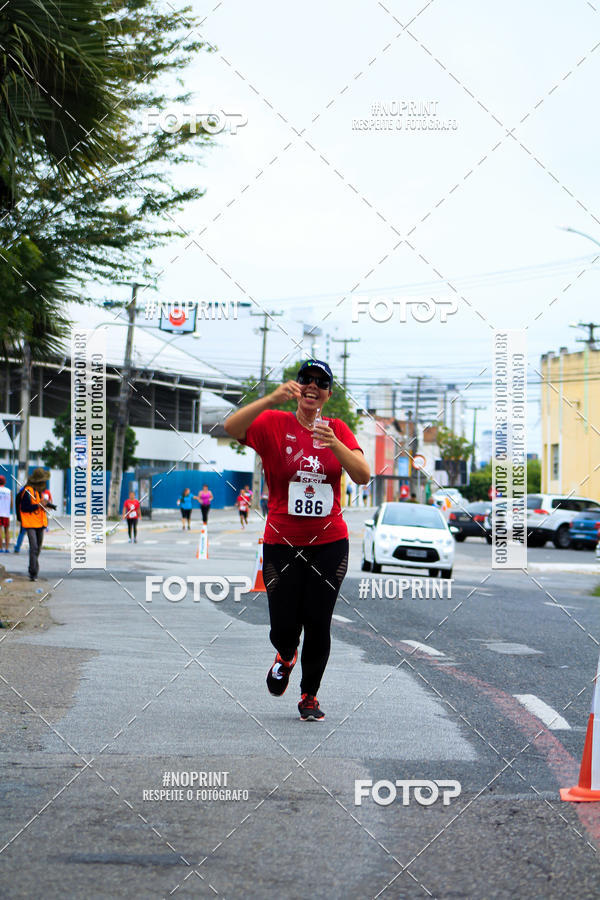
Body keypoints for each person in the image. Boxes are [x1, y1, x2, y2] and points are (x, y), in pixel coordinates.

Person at [224, 359, 370, 721]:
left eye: (321, 382)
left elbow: (363, 475)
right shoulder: (274, 423)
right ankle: (286, 655)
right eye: (307, 379)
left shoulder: (338, 429)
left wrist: (335, 444)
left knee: (318, 621)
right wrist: (270, 397)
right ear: (297, 386)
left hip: (329, 543)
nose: (313, 386)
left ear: (329, 394)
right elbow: (231, 427)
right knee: (284, 624)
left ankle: (309, 696)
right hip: (282, 542)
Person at [20, 468, 50, 581]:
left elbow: (40, 503)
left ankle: (32, 568)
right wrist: (38, 505)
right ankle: (33, 572)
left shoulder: (39, 492)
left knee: (38, 548)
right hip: (30, 523)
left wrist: (47, 505)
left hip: (40, 523)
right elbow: (24, 508)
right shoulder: (27, 492)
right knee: (34, 547)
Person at [13, 485, 26, 553]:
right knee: (30, 533)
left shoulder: (20, 493)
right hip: (28, 516)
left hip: (23, 516)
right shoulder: (31, 492)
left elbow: (17, 505)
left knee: (22, 532)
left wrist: (19, 517)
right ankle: (33, 548)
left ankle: (17, 547)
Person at [0, 475, 11, 552]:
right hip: (6, 513)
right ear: (5, 482)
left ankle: (0, 548)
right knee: (7, 531)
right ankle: (7, 548)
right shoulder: (8, 491)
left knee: (0, 531)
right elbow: (11, 503)